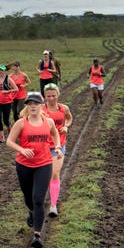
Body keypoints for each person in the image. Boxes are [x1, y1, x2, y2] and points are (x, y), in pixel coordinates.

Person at [6, 92, 63, 248]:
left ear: (41, 105)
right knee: (28, 196)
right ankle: (31, 211)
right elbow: (9, 141)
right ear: (27, 106)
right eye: (29, 103)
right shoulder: (21, 123)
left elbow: (55, 134)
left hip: (44, 164)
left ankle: (37, 235)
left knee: (38, 198)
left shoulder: (48, 122)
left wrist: (57, 147)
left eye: (35, 103)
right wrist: (22, 150)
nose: (32, 106)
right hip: (23, 165)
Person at [41, 83, 73, 217]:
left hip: (58, 146)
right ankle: (39, 200)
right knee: (43, 176)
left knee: (54, 173)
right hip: (42, 146)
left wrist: (66, 126)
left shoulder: (63, 108)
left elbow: (69, 118)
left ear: (58, 95)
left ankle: (53, 205)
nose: (51, 99)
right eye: (48, 96)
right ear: (44, 96)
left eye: (53, 95)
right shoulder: (41, 109)